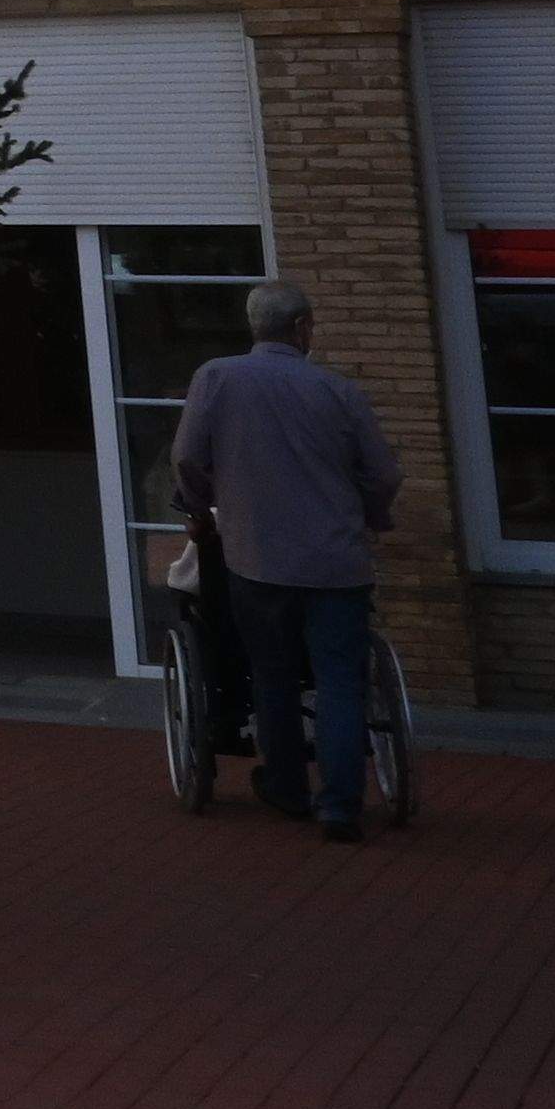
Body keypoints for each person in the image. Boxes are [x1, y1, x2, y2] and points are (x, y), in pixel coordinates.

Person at [172, 279, 405, 842]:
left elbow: (187, 457)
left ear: (254, 327)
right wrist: (375, 516)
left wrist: (202, 508)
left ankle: (286, 788)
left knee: (271, 676)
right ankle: (341, 806)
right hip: (335, 563)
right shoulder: (338, 390)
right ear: (303, 328)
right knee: (340, 681)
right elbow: (383, 475)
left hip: (257, 560)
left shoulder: (217, 378)